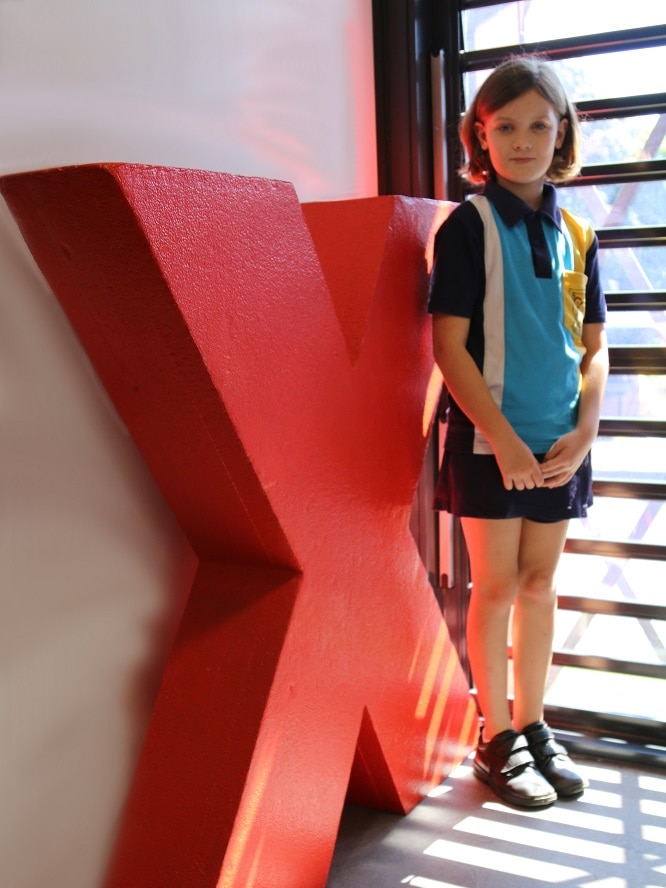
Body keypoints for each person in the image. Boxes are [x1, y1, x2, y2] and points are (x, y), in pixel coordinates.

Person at [428, 56, 609, 808]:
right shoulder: (468, 225)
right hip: (488, 444)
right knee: (497, 588)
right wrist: (500, 436)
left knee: (541, 586)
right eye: (507, 125)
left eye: (541, 124)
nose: (525, 139)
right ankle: (495, 740)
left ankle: (533, 727)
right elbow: (447, 345)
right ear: (481, 133)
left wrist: (587, 428)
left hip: (560, 444)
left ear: (561, 131)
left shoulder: (578, 232)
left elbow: (594, 348)